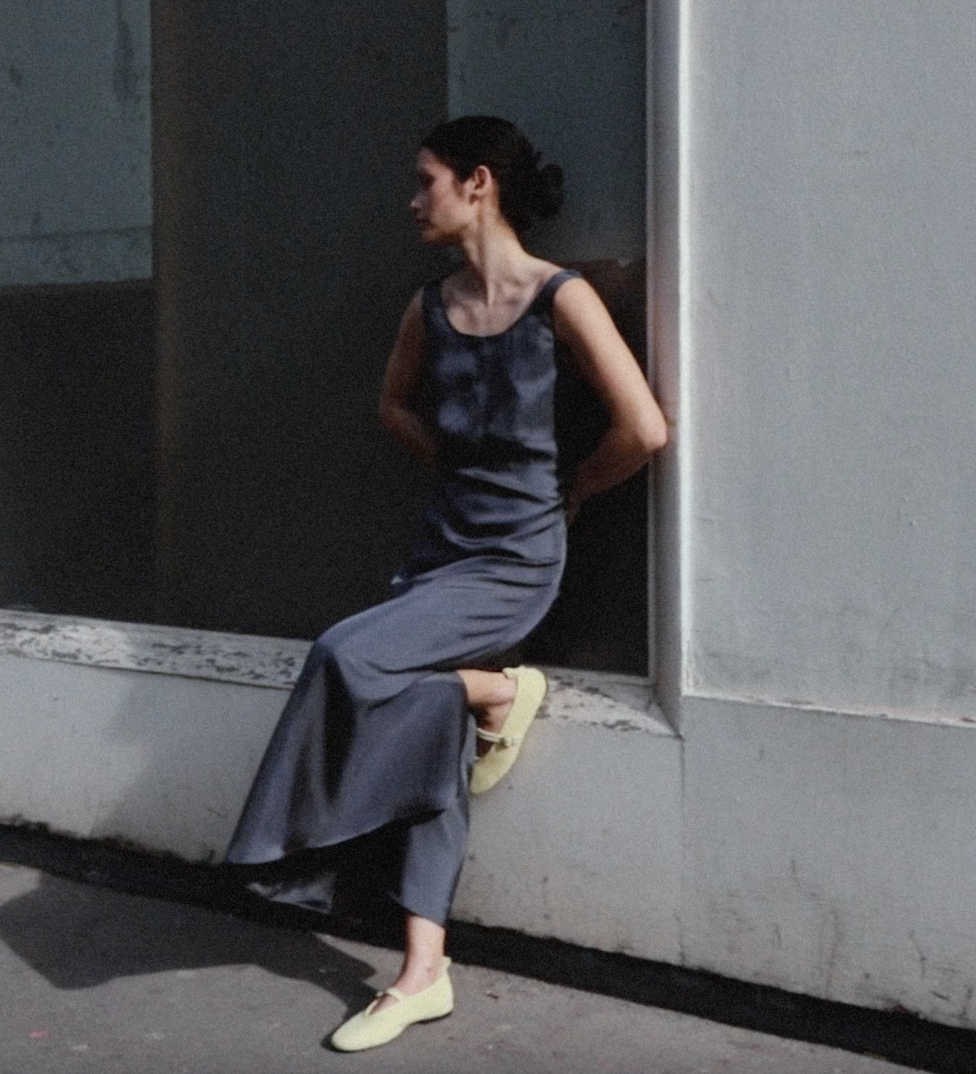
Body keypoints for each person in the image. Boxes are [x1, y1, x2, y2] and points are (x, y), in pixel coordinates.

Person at [222, 115, 668, 1052]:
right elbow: (394, 407)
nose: (411, 200)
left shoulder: (562, 297)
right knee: (432, 735)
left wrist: (571, 492)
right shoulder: (428, 307)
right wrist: (454, 466)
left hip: (517, 561)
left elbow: (643, 428)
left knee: (344, 654)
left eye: (424, 180)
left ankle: (487, 698)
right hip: (441, 548)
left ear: (478, 183)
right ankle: (423, 970)